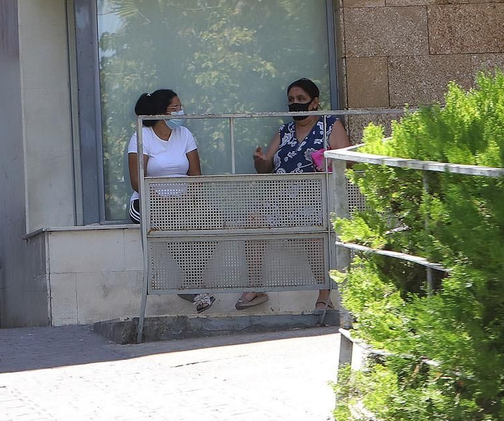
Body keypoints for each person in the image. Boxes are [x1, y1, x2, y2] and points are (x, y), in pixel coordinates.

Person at [239, 78, 351, 312]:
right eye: (291, 100)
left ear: (315, 102)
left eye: (301, 99)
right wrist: (259, 160)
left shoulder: (329, 125)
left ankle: (324, 296)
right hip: (279, 200)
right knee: (252, 222)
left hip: (314, 199)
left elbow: (348, 160)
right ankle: (256, 287)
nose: (295, 103)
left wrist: (329, 161)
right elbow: (266, 167)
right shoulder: (284, 131)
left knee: (313, 232)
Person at [126, 89, 213, 313]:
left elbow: (196, 177)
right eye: (176, 108)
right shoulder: (142, 136)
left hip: (184, 203)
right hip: (149, 203)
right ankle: (195, 286)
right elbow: (137, 181)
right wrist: (164, 202)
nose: (181, 112)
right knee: (172, 224)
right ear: (161, 111)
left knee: (214, 220)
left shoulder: (184, 134)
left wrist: (187, 200)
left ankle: (190, 283)